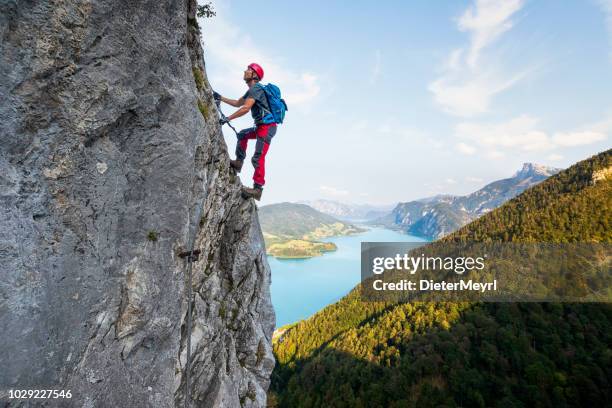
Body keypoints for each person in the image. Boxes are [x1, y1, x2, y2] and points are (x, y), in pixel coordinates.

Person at [213, 63, 276, 201]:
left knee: (258, 157)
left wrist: (227, 118)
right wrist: (220, 97)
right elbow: (237, 103)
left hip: (267, 126)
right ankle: (239, 163)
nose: (245, 71)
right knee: (242, 135)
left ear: (254, 75)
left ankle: (257, 189)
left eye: (249, 70)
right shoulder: (252, 90)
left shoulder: (257, 89)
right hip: (261, 126)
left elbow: (246, 108)